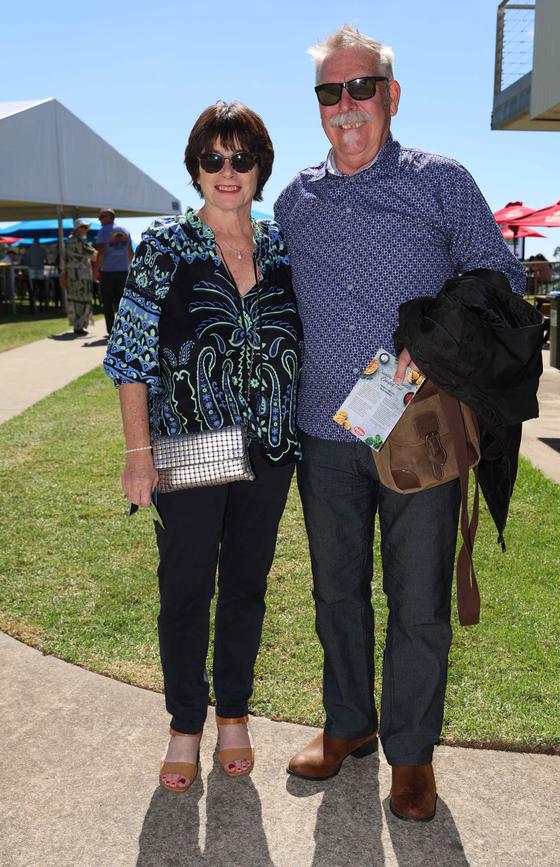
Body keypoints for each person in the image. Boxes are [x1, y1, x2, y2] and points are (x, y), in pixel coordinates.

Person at [274, 24, 525, 823]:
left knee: (419, 597)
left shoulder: (440, 181)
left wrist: (436, 340)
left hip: (421, 426)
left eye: (359, 89)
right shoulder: (294, 199)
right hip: (325, 430)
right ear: (319, 105)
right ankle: (349, 725)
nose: (345, 107)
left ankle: (412, 756)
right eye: (329, 93)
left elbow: (502, 273)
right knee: (334, 592)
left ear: (390, 96)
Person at [104, 101, 302, 794]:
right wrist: (137, 451)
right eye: (214, 158)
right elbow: (129, 355)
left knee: (246, 587)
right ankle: (185, 723)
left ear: (259, 168)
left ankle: (235, 714)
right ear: (195, 166)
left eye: (241, 158)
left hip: (271, 451)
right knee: (185, 589)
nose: (228, 171)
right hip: (186, 451)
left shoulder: (283, 245)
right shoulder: (164, 247)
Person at [95, 207, 133, 336]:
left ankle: (111, 330)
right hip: (123, 271)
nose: (100, 219)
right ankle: (124, 329)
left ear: (110, 217)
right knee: (123, 303)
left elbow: (101, 252)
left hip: (108, 271)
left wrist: (96, 270)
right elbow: (130, 252)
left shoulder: (103, 231)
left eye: (102, 217)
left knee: (108, 303)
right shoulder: (125, 230)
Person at [62, 218, 96, 336]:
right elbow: (92, 254)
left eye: (86, 227)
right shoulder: (79, 241)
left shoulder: (68, 241)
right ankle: (79, 326)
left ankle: (78, 325)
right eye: (84, 227)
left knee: (75, 299)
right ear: (78, 229)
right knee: (82, 299)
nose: (86, 230)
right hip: (81, 274)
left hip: (72, 274)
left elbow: (63, 259)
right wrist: (103, 254)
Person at [21, 238, 47, 311]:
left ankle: (34, 306)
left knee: (33, 288)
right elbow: (45, 259)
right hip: (38, 269)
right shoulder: (41, 250)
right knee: (39, 288)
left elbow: (25, 261)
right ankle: (39, 306)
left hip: (33, 270)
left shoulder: (29, 250)